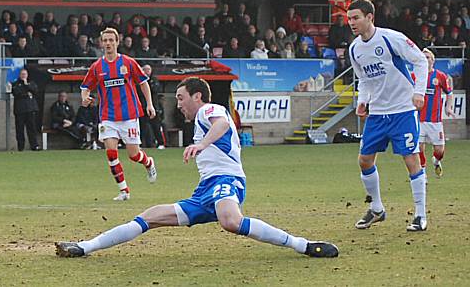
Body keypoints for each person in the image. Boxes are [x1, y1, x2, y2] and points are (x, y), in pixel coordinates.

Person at [56, 77, 339, 258]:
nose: (178, 104)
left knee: (230, 220)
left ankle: (302, 245)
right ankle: (85, 247)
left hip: (227, 180)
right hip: (205, 190)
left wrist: (202, 145)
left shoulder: (208, 110)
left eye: (181, 98)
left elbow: (223, 124)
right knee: (149, 216)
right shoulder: (201, 118)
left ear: (197, 97)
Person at [347, 0, 429, 232]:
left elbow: (420, 60)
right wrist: (363, 101)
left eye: (356, 18)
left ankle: (420, 215)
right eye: (349, 19)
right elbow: (363, 78)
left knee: (411, 159)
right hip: (378, 113)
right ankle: (377, 209)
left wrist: (419, 92)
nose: (352, 23)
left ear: (370, 17)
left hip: (402, 110)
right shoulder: (355, 49)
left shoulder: (391, 38)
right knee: (364, 160)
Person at [80, 27, 158, 201]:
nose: (108, 43)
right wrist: (85, 98)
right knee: (111, 152)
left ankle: (148, 162)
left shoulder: (128, 63)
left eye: (111, 40)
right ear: (101, 43)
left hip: (129, 116)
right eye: (105, 40)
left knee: (134, 155)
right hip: (108, 117)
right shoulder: (97, 67)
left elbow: (143, 83)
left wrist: (150, 104)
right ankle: (124, 191)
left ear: (117, 42)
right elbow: (85, 87)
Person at [415, 49, 453, 178]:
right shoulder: (415, 76)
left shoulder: (440, 76)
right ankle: (422, 173)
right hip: (419, 119)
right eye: (423, 57)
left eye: (428, 58)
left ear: (433, 60)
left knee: (440, 151)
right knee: (419, 147)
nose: (426, 60)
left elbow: (449, 93)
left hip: (435, 121)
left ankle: (436, 161)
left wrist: (448, 107)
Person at [11, 68, 40, 151]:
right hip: (20, 110)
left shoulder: (31, 83)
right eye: (22, 74)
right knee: (20, 129)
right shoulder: (15, 84)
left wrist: (26, 85)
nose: (23, 76)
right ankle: (21, 147)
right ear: (19, 75)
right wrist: (26, 93)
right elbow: (17, 93)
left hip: (30, 109)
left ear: (27, 75)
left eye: (25, 74)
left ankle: (34, 146)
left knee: (32, 129)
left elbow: (35, 91)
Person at [138, 65, 165, 149]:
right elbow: (139, 92)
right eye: (145, 70)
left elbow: (156, 90)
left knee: (156, 126)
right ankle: (140, 144)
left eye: (148, 69)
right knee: (141, 127)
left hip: (153, 107)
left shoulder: (154, 80)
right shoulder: (138, 81)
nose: (147, 71)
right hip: (142, 107)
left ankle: (160, 143)